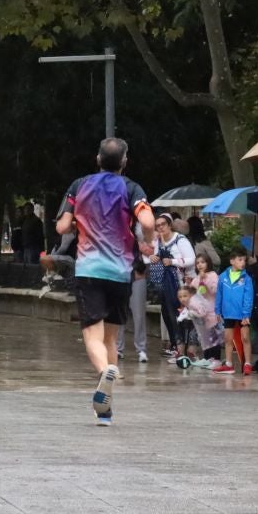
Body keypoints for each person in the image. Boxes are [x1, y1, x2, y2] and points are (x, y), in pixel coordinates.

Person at [57, 138, 156, 426]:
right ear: (124, 161)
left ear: (98, 159)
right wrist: (147, 241)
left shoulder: (79, 185)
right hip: (120, 272)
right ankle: (105, 410)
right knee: (111, 337)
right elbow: (148, 223)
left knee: (92, 336)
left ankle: (104, 373)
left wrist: (77, 222)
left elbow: (62, 226)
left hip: (89, 270)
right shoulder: (132, 188)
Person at [150, 215, 192, 359]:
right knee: (167, 314)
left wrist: (173, 261)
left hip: (180, 283)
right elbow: (156, 257)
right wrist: (153, 257)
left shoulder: (180, 240)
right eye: (158, 225)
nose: (160, 227)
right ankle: (175, 345)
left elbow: (191, 259)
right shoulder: (159, 242)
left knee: (178, 315)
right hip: (165, 282)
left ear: (169, 225)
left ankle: (183, 348)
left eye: (163, 224)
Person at [216, 249, 254, 374]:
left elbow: (248, 297)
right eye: (240, 259)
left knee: (245, 338)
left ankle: (247, 363)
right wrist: (217, 310)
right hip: (228, 313)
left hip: (242, 314)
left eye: (244, 260)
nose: (243, 263)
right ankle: (228, 364)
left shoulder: (247, 279)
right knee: (228, 339)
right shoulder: (222, 277)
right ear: (232, 261)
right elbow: (219, 294)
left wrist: (246, 314)